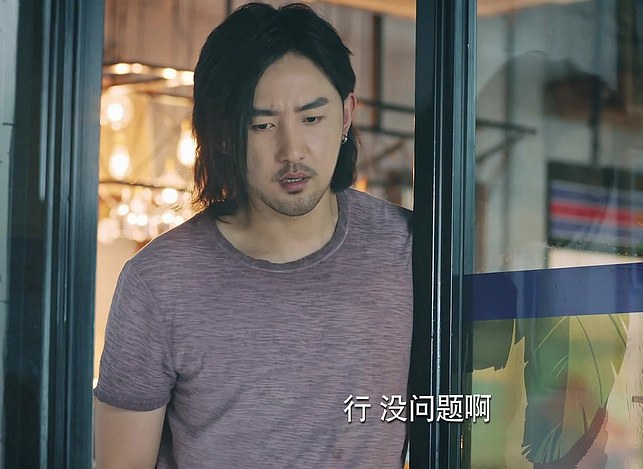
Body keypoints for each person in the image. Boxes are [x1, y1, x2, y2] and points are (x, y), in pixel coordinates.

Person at [93, 3, 412, 467]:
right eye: (262, 125)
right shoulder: (159, 283)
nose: (292, 150)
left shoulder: (408, 251)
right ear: (222, 134)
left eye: (312, 118)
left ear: (346, 115)